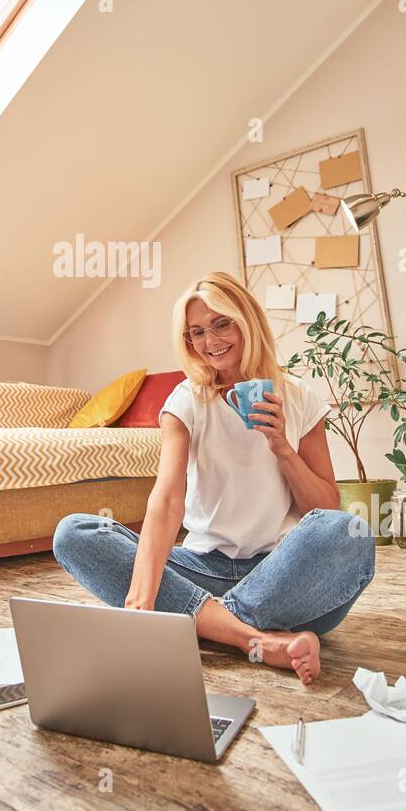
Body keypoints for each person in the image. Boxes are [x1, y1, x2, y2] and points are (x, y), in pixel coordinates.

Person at [53, 271, 375, 684]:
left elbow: (324, 508)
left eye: (221, 323)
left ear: (248, 320)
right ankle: (254, 639)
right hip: (202, 567)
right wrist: (140, 602)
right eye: (197, 332)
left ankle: (206, 622)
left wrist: (281, 447)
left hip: (283, 571)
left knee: (349, 530)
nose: (210, 341)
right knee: (75, 533)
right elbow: (167, 501)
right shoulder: (186, 401)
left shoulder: (299, 398)